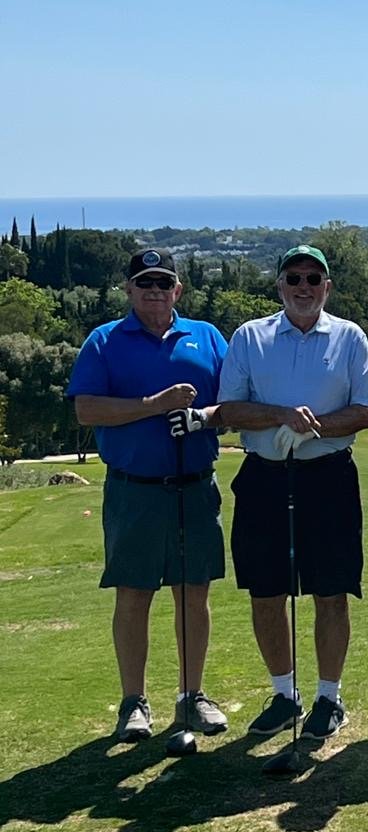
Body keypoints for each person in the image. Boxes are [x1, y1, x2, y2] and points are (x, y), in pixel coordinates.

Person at [67, 249, 228, 742]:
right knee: (135, 594)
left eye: (164, 283)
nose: (154, 291)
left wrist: (204, 415)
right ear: (129, 291)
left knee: (192, 592)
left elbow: (234, 402)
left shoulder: (206, 337)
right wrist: (153, 406)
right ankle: (133, 701)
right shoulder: (105, 341)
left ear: (178, 289)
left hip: (196, 486)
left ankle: (191, 695)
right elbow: (86, 410)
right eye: (144, 283)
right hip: (134, 491)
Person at [217, 246, 368, 743]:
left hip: (327, 477)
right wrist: (283, 416)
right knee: (267, 593)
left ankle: (329, 697)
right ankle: (285, 694)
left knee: (331, 591)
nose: (304, 287)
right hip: (265, 477)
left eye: (314, 279)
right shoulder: (250, 336)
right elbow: (230, 409)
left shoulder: (349, 337)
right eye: (294, 279)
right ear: (280, 286)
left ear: (327, 287)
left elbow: (366, 410)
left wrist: (316, 427)